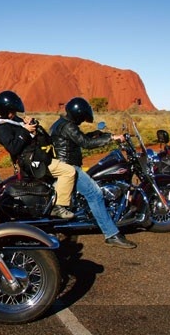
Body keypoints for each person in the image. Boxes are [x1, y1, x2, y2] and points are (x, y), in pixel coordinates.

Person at [50, 97, 137, 249]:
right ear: (78, 114)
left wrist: (96, 134)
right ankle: (111, 234)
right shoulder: (68, 126)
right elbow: (86, 144)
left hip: (63, 164)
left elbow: (78, 139)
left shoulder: (62, 123)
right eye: (82, 117)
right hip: (70, 167)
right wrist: (111, 138)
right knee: (95, 194)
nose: (83, 120)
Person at [0, 90, 76, 219]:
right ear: (4, 111)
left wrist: (29, 123)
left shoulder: (11, 120)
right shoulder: (1, 127)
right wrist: (25, 131)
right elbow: (13, 148)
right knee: (69, 172)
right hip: (31, 161)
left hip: (37, 156)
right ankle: (59, 206)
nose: (14, 114)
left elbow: (23, 130)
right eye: (12, 112)